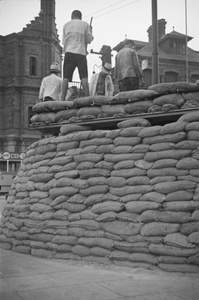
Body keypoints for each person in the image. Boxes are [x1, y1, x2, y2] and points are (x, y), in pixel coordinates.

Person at [61, 10, 94, 100]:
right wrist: (91, 31)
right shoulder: (85, 24)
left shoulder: (66, 25)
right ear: (80, 17)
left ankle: (62, 98)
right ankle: (87, 98)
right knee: (84, 77)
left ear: (72, 16)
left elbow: (64, 42)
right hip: (81, 53)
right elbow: (88, 40)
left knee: (66, 78)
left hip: (69, 52)